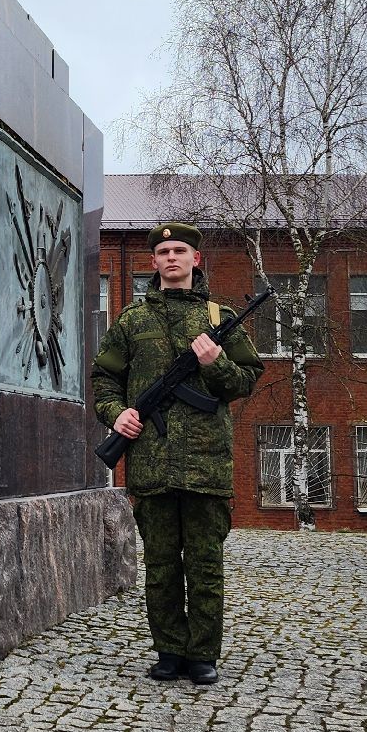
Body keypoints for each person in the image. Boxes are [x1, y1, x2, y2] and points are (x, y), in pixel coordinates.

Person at [91, 222, 263, 686]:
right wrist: (117, 414)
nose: (171, 258)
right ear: (153, 263)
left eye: (180, 250)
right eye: (163, 251)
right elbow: (103, 379)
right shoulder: (131, 320)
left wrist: (215, 361)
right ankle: (168, 650)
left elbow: (246, 381)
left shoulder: (217, 318)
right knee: (162, 565)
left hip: (207, 464)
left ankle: (202, 653)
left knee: (205, 565)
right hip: (151, 463)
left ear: (195, 260)